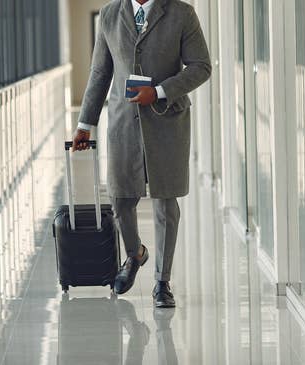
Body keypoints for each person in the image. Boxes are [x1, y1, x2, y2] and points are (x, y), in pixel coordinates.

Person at [72, 0, 211, 308]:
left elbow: (201, 66)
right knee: (121, 198)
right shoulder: (109, 15)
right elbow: (100, 72)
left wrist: (160, 91)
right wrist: (85, 124)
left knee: (165, 201)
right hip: (124, 122)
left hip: (167, 119)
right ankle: (135, 254)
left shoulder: (181, 13)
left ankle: (162, 282)